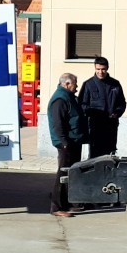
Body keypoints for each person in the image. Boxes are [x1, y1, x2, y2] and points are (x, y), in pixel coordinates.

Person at [47, 72, 85, 217]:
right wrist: (63, 142)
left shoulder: (68, 97)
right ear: (67, 84)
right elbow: (58, 124)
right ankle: (56, 207)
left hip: (73, 141)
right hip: (66, 143)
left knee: (72, 173)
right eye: (75, 83)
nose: (76, 87)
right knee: (62, 173)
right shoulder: (60, 99)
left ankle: (68, 203)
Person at [78, 56, 127, 159]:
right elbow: (82, 104)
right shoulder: (88, 84)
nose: (101, 72)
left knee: (109, 155)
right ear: (95, 68)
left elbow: (122, 103)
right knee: (95, 156)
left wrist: (117, 113)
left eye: (103, 69)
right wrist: (92, 113)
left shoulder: (115, 84)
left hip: (111, 126)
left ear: (107, 68)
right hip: (95, 127)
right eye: (98, 69)